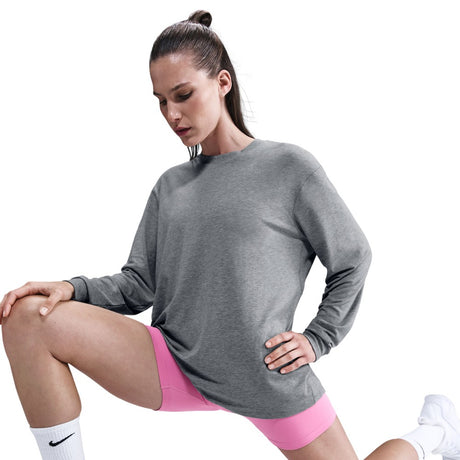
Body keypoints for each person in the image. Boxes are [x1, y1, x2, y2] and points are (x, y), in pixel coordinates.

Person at [1, 9, 459, 460]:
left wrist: (317, 338)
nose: (172, 114)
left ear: (223, 82)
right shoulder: (170, 187)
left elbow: (353, 257)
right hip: (174, 362)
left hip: (264, 375)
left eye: (183, 95)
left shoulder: (289, 168)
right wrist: (73, 288)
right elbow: (140, 283)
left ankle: (432, 434)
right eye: (161, 101)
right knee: (27, 317)